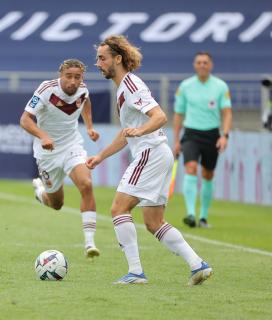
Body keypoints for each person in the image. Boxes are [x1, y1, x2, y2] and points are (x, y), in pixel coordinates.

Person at [87, 35, 212, 285]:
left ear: (118, 59)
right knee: (154, 222)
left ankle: (135, 272)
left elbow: (159, 116)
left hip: (150, 153)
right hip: (157, 152)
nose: (97, 63)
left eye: (102, 58)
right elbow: (127, 134)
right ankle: (198, 265)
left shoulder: (131, 86)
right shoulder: (124, 88)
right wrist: (100, 156)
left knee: (118, 209)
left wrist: (141, 132)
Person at [20, 59, 101, 258]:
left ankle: (90, 243)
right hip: (47, 153)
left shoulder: (83, 89)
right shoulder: (46, 89)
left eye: (77, 77)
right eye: (69, 76)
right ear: (61, 75)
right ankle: (41, 192)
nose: (73, 81)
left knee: (86, 184)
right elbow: (24, 119)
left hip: (72, 146)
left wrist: (89, 126)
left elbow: (86, 102)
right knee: (56, 204)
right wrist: (43, 136)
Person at [173, 52, 233, 228]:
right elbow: (178, 114)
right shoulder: (185, 86)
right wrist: (176, 140)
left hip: (212, 135)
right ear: (194, 65)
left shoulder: (220, 86)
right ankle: (191, 214)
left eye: (205, 62)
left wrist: (225, 135)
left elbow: (227, 113)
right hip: (191, 134)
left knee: (208, 174)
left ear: (211, 65)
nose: (202, 65)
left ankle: (203, 217)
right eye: (199, 62)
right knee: (190, 168)